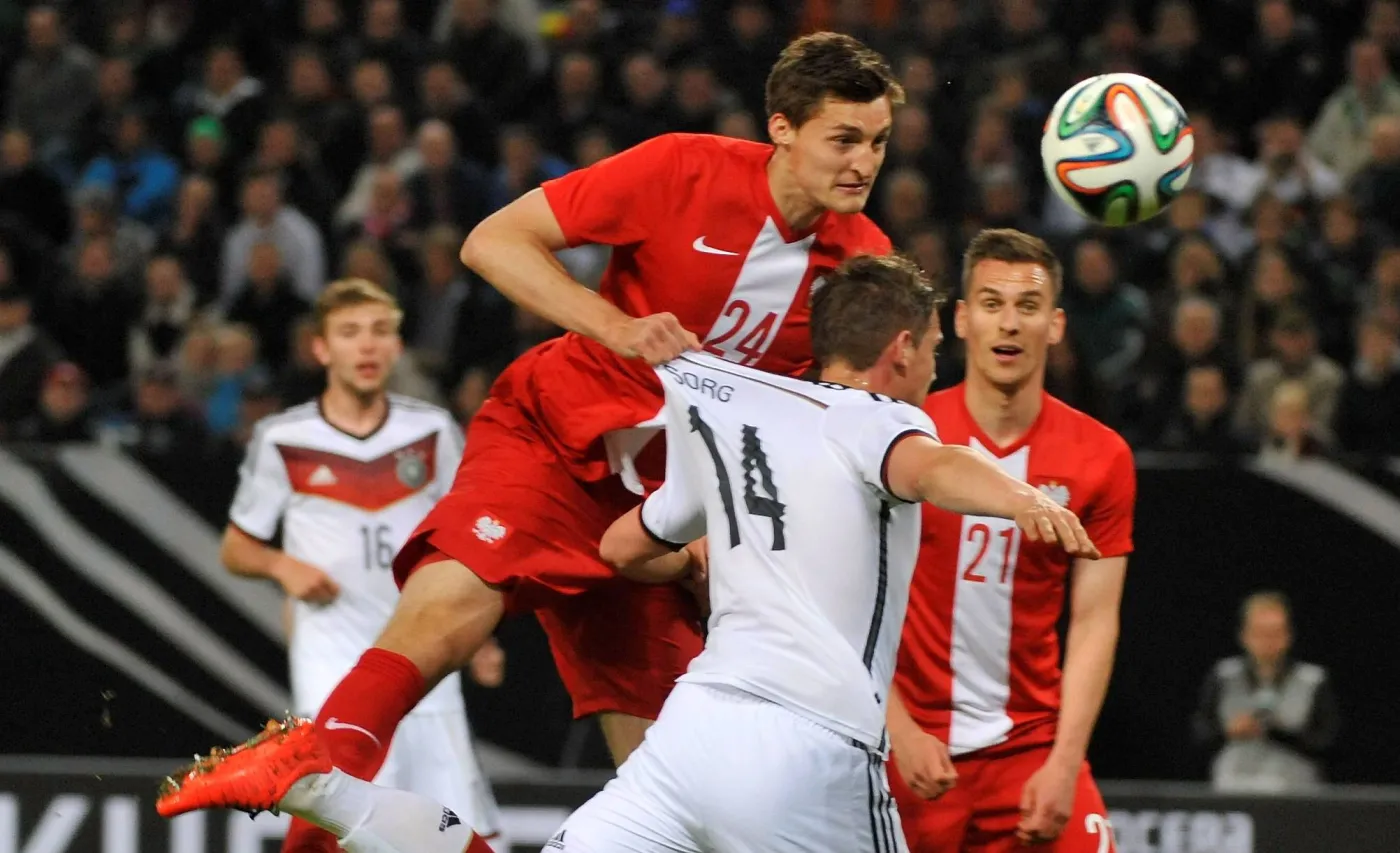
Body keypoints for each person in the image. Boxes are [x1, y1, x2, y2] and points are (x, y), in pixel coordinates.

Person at [155, 254, 1099, 853]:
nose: (937, 367)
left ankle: (325, 788)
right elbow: (933, 467)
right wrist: (1020, 497)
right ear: (901, 348)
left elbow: (622, 542)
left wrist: (702, 560)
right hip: (810, 749)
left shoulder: (724, 410)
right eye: (935, 346)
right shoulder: (878, 417)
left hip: (692, 735)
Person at [270, 30, 904, 853]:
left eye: (879, 142)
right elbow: (492, 240)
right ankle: (311, 793)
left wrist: (719, 526)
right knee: (444, 615)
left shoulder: (863, 264)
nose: (864, 162)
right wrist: (618, 326)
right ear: (781, 127)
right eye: (844, 138)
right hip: (555, 441)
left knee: (680, 790)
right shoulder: (682, 168)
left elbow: (822, 426)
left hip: (665, 522)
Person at [218, 278, 504, 850]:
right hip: (332, 666)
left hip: (424, 657)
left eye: (380, 332)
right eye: (349, 333)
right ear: (321, 349)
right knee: (349, 825)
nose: (367, 346)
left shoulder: (430, 431)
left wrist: (482, 633)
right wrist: (281, 566)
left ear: (398, 347)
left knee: (453, 821)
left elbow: (465, 534)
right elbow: (236, 547)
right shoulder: (283, 439)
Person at [887, 229, 1137, 852]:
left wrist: (1063, 761)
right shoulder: (903, 436)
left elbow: (1094, 621)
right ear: (963, 320)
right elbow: (839, 600)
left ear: (1055, 326)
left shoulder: (1101, 457)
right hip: (909, 749)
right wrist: (897, 730)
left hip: (1032, 753)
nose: (1010, 324)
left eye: (1027, 307)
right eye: (992, 304)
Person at [1192, 590, 1340, 793]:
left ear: (1288, 635)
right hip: (1233, 790)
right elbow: (1200, 733)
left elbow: (1328, 743)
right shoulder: (1223, 676)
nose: (1268, 641)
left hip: (1296, 793)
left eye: (1275, 633)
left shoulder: (1313, 680)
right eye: (1260, 632)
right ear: (1244, 635)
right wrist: (1229, 731)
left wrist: (1278, 732)